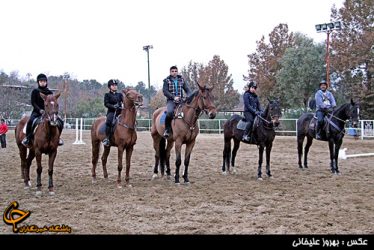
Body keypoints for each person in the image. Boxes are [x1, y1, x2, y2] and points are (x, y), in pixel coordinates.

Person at [22, 74, 64, 147]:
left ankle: (58, 138)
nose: (42, 83)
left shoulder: (49, 92)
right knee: (30, 121)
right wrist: (40, 110)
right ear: (38, 82)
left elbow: (52, 103)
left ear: (46, 82)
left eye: (44, 81)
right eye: (41, 81)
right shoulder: (35, 91)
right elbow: (33, 102)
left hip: (49, 112)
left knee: (60, 122)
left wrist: (52, 111)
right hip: (37, 112)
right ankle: (28, 138)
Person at [162, 66, 191, 138]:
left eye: (175, 71)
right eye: (172, 71)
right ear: (170, 72)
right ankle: (167, 130)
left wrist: (189, 96)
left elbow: (187, 89)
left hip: (181, 100)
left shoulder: (181, 80)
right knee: (170, 112)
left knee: (189, 110)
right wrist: (173, 97)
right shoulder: (166, 80)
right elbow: (165, 91)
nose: (174, 72)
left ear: (177, 72)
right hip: (171, 101)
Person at [103, 79, 123, 147]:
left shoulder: (120, 94)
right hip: (111, 112)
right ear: (109, 87)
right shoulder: (107, 95)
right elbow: (106, 104)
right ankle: (107, 138)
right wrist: (113, 106)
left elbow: (124, 102)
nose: (115, 86)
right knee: (109, 121)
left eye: (115, 85)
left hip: (120, 112)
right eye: (113, 85)